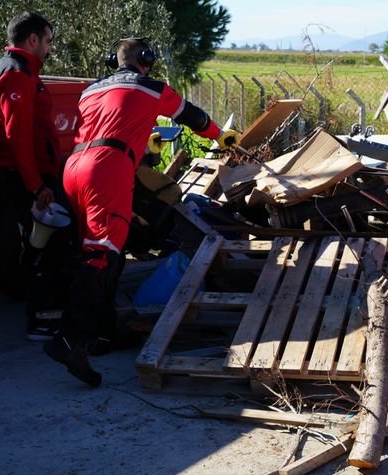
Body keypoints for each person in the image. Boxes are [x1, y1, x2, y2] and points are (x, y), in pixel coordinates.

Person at [43, 38, 240, 386]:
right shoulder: (151, 87)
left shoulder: (90, 90)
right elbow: (193, 117)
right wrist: (221, 136)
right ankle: (69, 340)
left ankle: (101, 335)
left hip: (73, 168)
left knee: (103, 254)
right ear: (146, 60)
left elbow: (107, 122)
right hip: (108, 168)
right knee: (101, 257)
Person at [0, 12, 68, 341]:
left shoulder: (11, 69)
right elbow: (18, 137)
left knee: (41, 245)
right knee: (45, 247)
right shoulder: (18, 75)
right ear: (32, 40)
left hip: (25, 176)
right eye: (47, 41)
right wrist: (36, 186)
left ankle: (45, 316)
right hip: (27, 179)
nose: (48, 49)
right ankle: (42, 321)